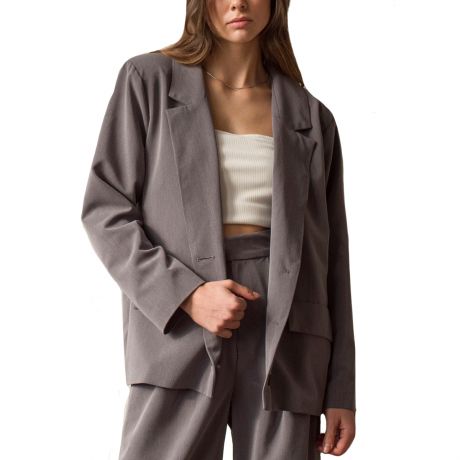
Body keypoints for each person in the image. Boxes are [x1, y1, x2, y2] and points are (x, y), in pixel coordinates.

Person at [81, 0, 356, 458]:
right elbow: (105, 210)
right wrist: (186, 295)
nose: (237, 3)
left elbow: (333, 260)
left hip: (289, 334)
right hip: (179, 325)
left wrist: (340, 387)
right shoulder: (148, 80)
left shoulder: (312, 117)